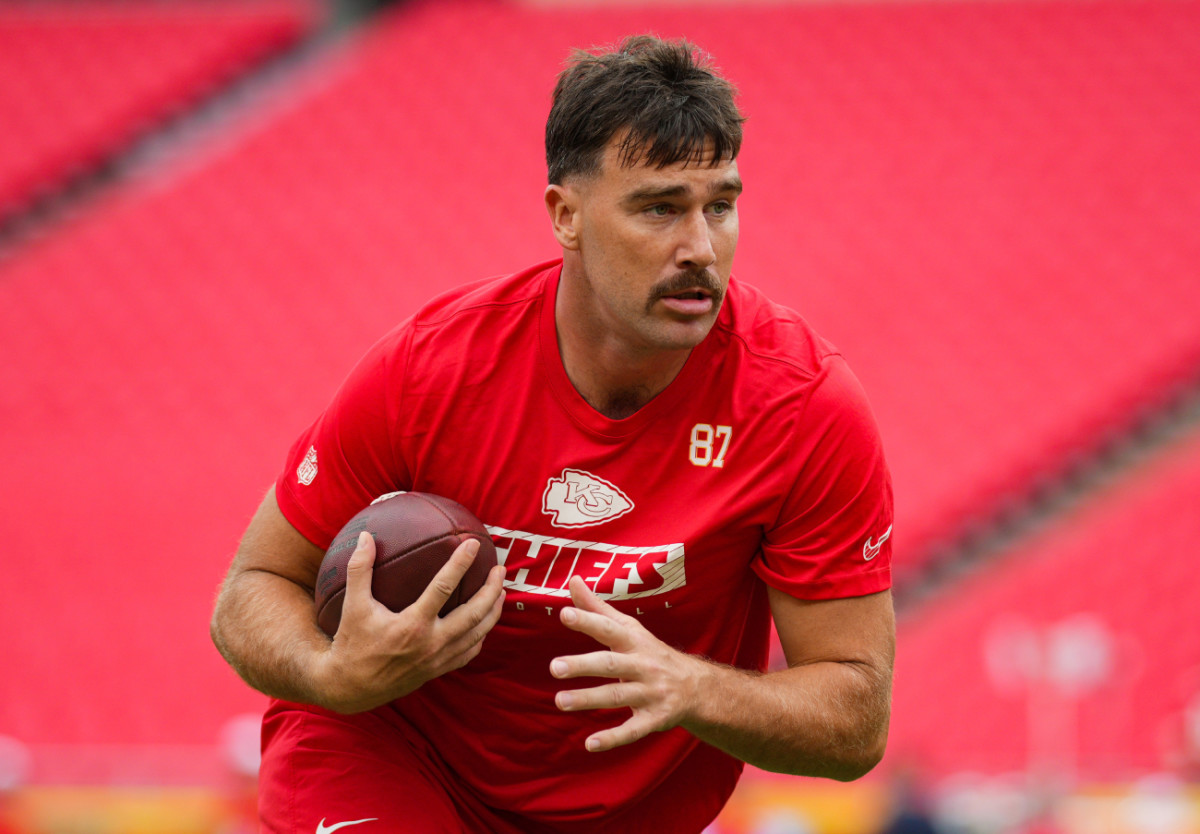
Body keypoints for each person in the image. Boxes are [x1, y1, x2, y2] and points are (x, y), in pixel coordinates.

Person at [211, 35, 896, 834]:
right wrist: (335, 672)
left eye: (721, 205)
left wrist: (692, 687)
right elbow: (250, 592)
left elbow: (856, 721)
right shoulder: (431, 370)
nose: (701, 249)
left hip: (628, 807)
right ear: (565, 216)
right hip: (388, 757)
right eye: (659, 208)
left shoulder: (803, 406)